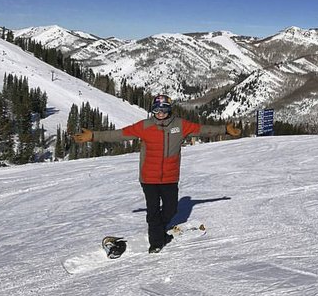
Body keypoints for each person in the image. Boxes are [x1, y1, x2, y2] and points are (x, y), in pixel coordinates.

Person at [73, 94, 241, 253]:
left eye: (164, 110)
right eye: (157, 110)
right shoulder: (144, 126)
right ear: (152, 110)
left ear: (169, 110)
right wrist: (94, 136)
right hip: (149, 178)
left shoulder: (180, 125)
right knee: (153, 211)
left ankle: (158, 232)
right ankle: (156, 243)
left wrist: (224, 129)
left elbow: (204, 130)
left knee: (171, 210)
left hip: (170, 177)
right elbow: (119, 135)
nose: (160, 114)